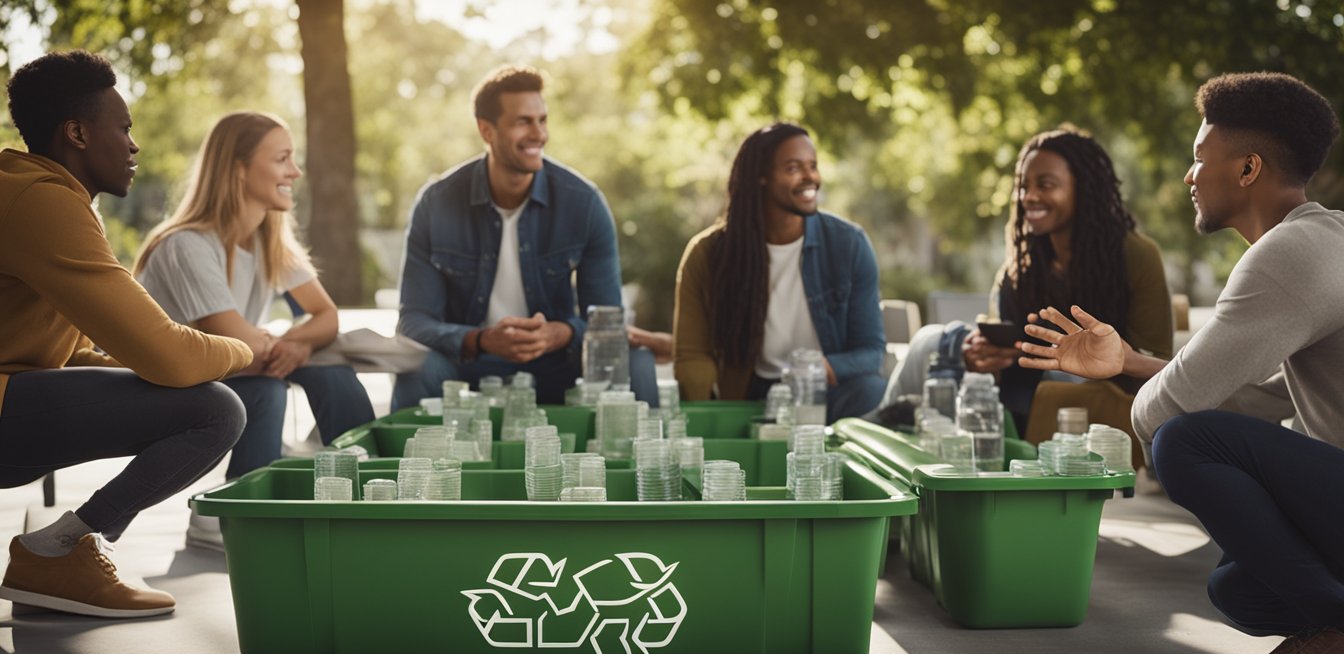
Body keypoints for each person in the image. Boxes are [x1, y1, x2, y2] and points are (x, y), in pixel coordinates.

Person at [1018, 73, 1344, 654]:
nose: (1190, 176)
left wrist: (1144, 389)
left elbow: (1161, 414)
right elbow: (1262, 398)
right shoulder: (1325, 238)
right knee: (1238, 589)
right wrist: (1126, 360)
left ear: (1248, 168)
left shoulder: (1286, 256)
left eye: (1200, 158)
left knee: (1183, 442)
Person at [0, 51, 252, 618]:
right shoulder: (39, 202)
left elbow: (66, 351)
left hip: (12, 397)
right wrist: (245, 349)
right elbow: (172, 357)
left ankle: (58, 551)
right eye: (125, 128)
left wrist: (136, 362)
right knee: (216, 410)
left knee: (201, 392)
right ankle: (58, 551)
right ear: (78, 133)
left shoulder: (34, 191)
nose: (134, 145)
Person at [134, 111, 374, 549]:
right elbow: (238, 343)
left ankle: (367, 494)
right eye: (282, 159)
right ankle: (231, 513)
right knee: (268, 390)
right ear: (238, 169)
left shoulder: (270, 241)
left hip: (232, 371)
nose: (295, 172)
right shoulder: (187, 244)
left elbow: (326, 317)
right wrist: (294, 343)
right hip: (165, 391)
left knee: (332, 374)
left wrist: (294, 344)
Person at [392, 64, 657, 408]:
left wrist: (558, 334)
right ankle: (405, 463)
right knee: (415, 368)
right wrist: (482, 340)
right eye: (523, 122)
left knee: (636, 362)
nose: (539, 134)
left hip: (558, 366)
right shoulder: (436, 203)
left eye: (542, 120)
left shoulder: (584, 203)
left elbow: (607, 319)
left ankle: (642, 461)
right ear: (486, 130)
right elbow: (413, 322)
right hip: (467, 367)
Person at [884, 128, 1171, 438]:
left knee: (1057, 375)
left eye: (1045, 185)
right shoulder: (1021, 264)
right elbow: (1001, 332)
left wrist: (1109, 358)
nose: (1029, 196)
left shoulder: (1137, 255)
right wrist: (984, 351)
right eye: (1023, 186)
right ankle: (879, 433)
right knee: (932, 340)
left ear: (1084, 189)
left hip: (1100, 389)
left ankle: (913, 421)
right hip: (1018, 385)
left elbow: (1162, 363)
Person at [673, 122, 886, 422]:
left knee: (871, 389)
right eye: (793, 168)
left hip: (825, 393)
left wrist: (823, 367)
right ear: (760, 176)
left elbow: (871, 351)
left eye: (812, 166)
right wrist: (708, 417)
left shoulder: (848, 244)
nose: (810, 177)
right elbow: (692, 354)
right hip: (751, 396)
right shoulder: (707, 253)